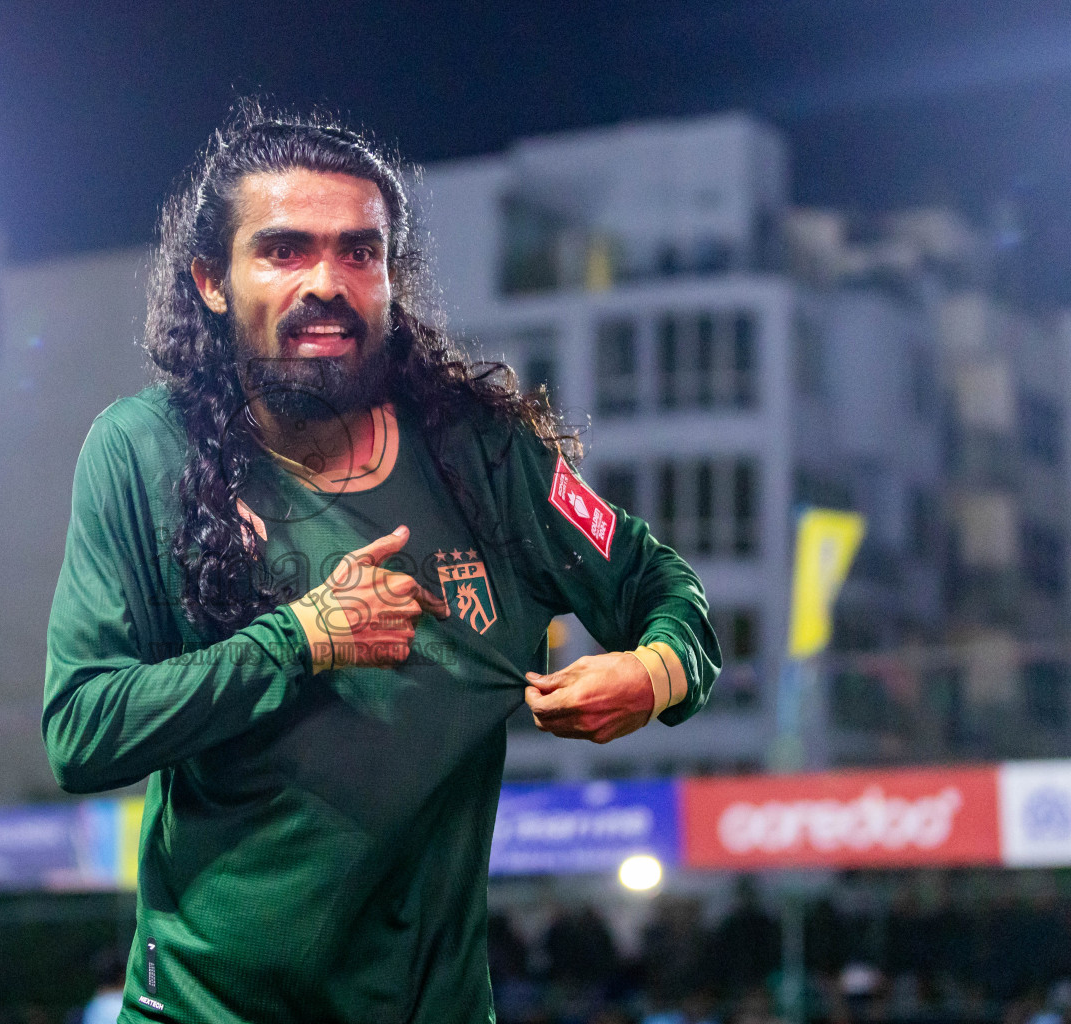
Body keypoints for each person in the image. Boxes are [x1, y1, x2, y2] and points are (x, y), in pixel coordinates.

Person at [42, 105, 720, 1023]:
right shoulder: (138, 452)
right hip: (203, 1008)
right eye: (284, 250)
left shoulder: (482, 455)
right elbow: (82, 730)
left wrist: (657, 671)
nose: (328, 282)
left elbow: (661, 586)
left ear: (391, 280)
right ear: (211, 280)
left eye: (360, 253)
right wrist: (301, 638)